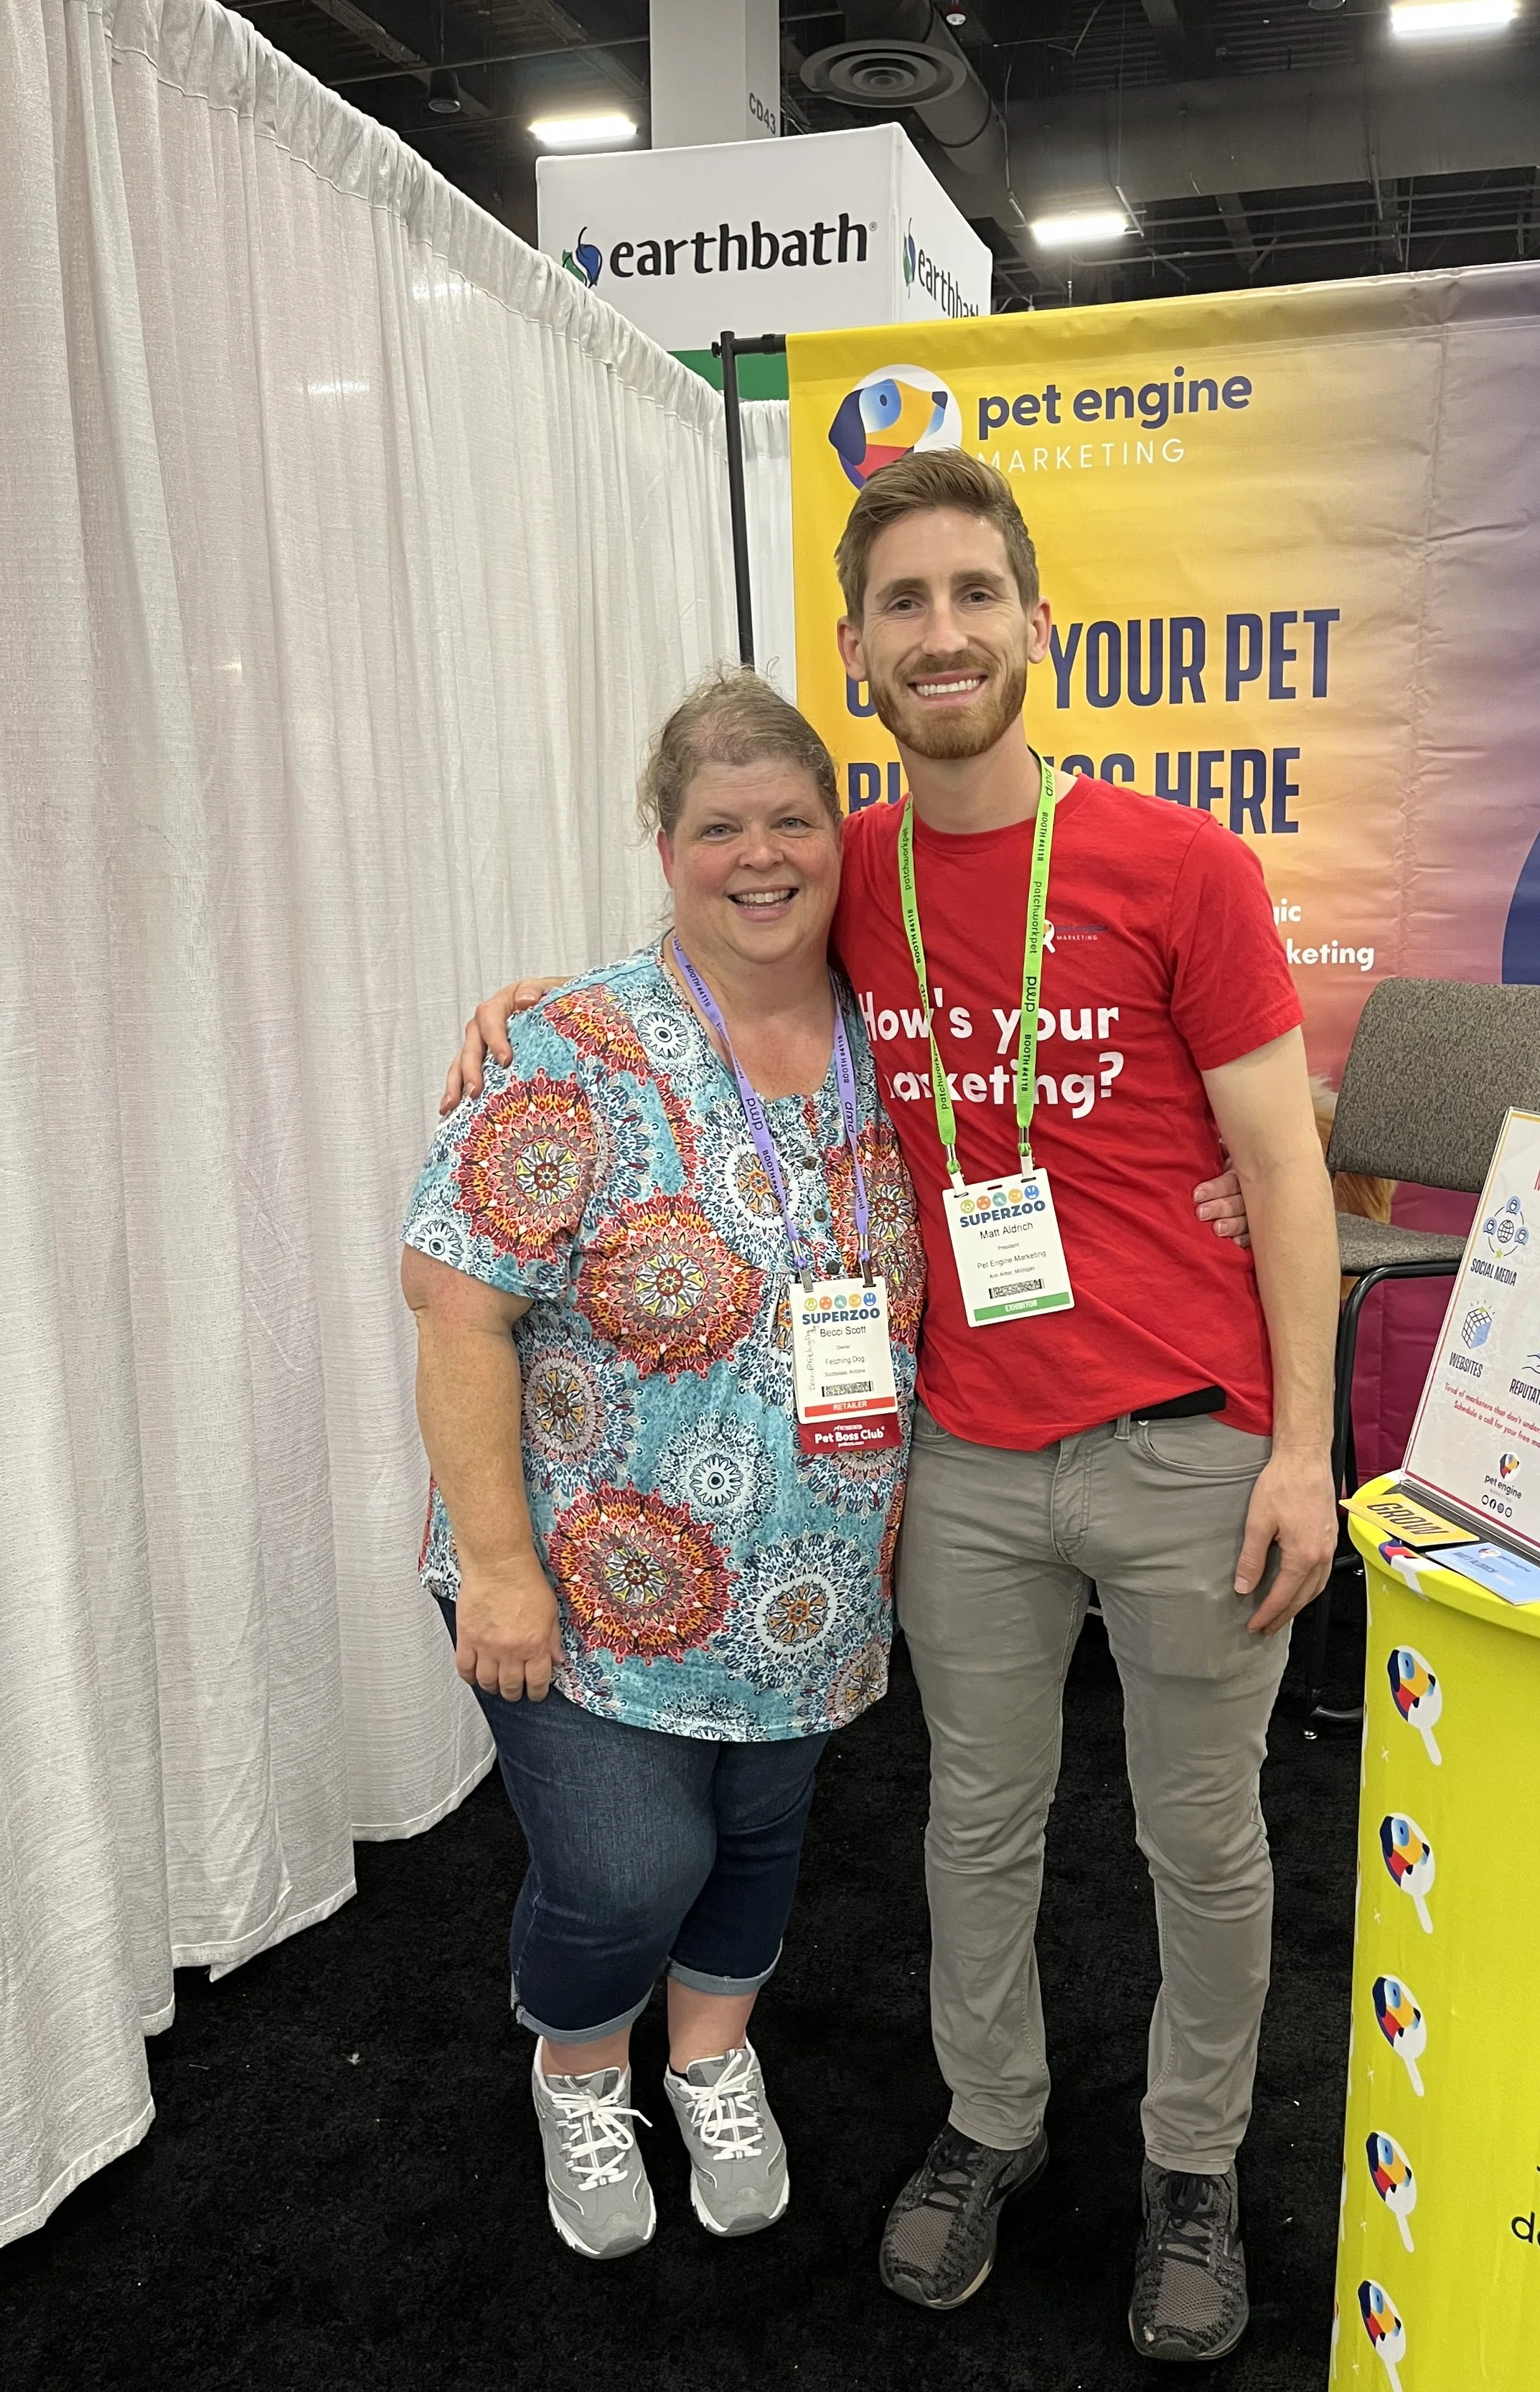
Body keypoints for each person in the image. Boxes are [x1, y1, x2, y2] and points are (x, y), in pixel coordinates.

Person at [446, 450, 1338, 2365]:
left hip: (1190, 1445)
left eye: (973, 595)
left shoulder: (1178, 866)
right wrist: (536, 1007)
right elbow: (710, 943)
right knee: (978, 1820)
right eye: (904, 607)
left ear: (1037, 627)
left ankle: (1188, 2161)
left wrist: (1301, 1449)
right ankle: (992, 2120)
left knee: (1201, 1832)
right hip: (964, 1458)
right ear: (859, 657)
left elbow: (1280, 1166)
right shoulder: (844, 881)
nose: (943, 633)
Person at [401, 673, 921, 2265]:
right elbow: (453, 1303)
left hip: (818, 1576)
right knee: (629, 1862)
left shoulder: (893, 1038)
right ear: (662, 842)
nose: (758, 858)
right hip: (582, 1576)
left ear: (840, 839)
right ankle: (577, 2060)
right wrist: (496, 1565)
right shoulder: (571, 1047)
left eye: (790, 823)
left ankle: (707, 2054)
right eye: (719, 828)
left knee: (761, 1840)